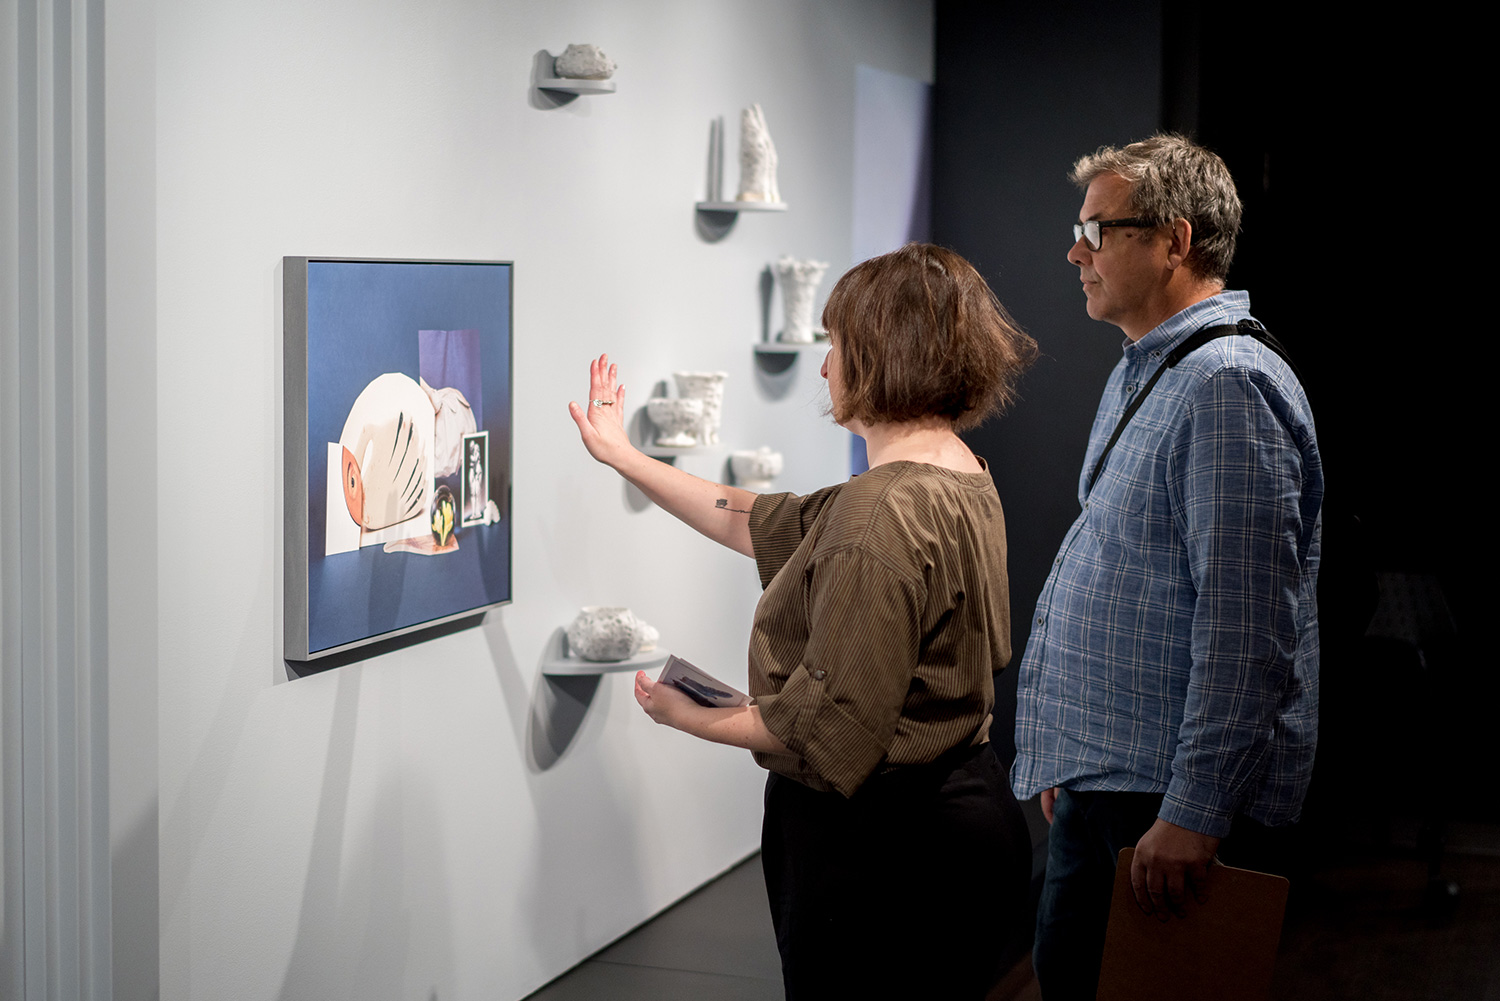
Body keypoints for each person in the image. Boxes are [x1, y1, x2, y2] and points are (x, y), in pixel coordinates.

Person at [569, 243, 1038, 1000]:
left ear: (884, 353)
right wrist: (625, 456)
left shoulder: (879, 511)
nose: (825, 368)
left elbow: (820, 732)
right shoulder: (959, 473)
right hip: (962, 824)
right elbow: (752, 518)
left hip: (887, 856)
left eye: (837, 345)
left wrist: (690, 716)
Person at [1010, 134, 1324, 1000]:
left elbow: (1247, 625)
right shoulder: (1156, 369)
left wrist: (1193, 809)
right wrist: (1079, 757)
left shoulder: (1224, 383)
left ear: (1175, 240)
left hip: (1161, 805)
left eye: (1098, 230)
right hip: (1117, 780)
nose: (1076, 251)